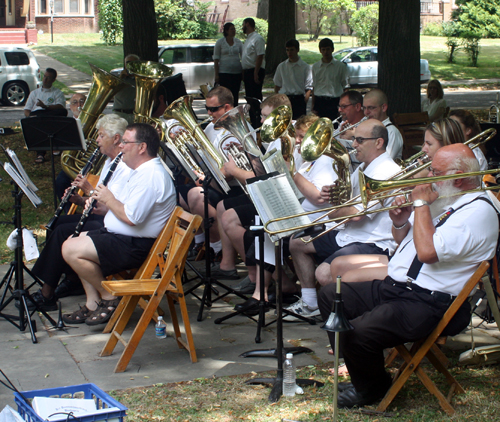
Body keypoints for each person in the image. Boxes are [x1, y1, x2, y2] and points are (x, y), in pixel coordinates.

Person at [318, 143, 498, 408]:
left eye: (435, 172)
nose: (427, 177)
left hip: (428, 303)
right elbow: (405, 241)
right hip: (397, 287)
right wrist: (400, 221)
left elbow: (426, 252)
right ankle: (363, 375)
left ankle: (372, 389)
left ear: (458, 177)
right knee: (331, 296)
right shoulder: (449, 198)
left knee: (358, 332)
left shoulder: (478, 211)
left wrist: (421, 203)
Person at [61, 123, 176, 325]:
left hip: (135, 246)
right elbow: (126, 209)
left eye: (126, 142)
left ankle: (109, 298)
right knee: (73, 240)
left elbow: (132, 219)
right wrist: (104, 205)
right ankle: (92, 303)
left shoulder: (151, 175)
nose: (121, 146)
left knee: (70, 249)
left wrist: (107, 198)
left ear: (141, 147)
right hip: (123, 238)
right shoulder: (141, 171)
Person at [285, 120, 400, 320]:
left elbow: (354, 214)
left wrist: (334, 207)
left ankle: (345, 314)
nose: (354, 144)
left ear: (379, 142)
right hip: (349, 234)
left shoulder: (385, 172)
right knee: (296, 242)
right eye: (354, 139)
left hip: (372, 242)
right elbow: (346, 202)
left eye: (360, 140)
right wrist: (334, 194)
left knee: (324, 273)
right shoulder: (365, 167)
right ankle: (310, 302)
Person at [234, 114, 339, 313]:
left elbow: (318, 198)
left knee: (269, 230)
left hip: (318, 221)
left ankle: (266, 294)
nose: (297, 141)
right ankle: (261, 292)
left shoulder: (325, 161)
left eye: (301, 137)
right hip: (301, 216)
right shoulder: (310, 161)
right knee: (263, 224)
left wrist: (292, 174)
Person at [25, 114, 131, 310]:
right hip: (102, 216)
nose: (97, 140)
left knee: (62, 232)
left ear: (116, 138)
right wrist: (80, 200)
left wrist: (89, 190)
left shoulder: (125, 165)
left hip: (112, 223)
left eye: (101, 135)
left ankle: (47, 293)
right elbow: (96, 203)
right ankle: (72, 278)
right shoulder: (109, 161)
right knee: (57, 223)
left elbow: (113, 205)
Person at [214, 94, 293, 288]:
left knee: (229, 218)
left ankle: (266, 276)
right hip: (269, 195)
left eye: (265, 117)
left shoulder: (284, 141)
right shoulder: (273, 140)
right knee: (222, 207)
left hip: (280, 201)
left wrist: (234, 170)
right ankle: (240, 269)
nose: (261, 121)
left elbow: (263, 177)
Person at [178, 86, 244, 262]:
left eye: (213, 109)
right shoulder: (210, 127)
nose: (209, 113)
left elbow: (231, 170)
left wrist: (207, 180)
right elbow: (204, 157)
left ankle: (217, 247)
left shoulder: (236, 130)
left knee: (195, 195)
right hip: (214, 181)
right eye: (207, 108)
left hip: (233, 187)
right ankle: (200, 241)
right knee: (179, 194)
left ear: (227, 108)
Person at [23, 67, 67, 163]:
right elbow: (26, 109)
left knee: (63, 112)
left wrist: (46, 107)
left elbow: (61, 106)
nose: (45, 79)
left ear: (53, 80)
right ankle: (40, 154)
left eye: (48, 77)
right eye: (44, 76)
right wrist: (30, 117)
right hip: (37, 115)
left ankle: (41, 118)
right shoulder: (34, 93)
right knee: (38, 118)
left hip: (51, 115)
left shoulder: (57, 92)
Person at [55, 93, 88, 202]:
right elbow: (56, 150)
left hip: (92, 166)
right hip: (73, 165)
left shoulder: (98, 124)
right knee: (60, 182)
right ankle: (69, 213)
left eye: (82, 101)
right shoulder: (65, 125)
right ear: (70, 107)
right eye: (75, 102)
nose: (79, 105)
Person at [273, 39, 312, 120]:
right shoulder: (282, 66)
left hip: (298, 100)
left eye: (292, 50)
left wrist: (304, 101)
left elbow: (308, 88)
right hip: (285, 99)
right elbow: (277, 85)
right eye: (287, 50)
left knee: (299, 125)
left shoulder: (305, 67)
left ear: (297, 50)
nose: (289, 52)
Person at [311, 38, 348, 121]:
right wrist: (313, 105)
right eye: (323, 50)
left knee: (335, 127)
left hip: (334, 102)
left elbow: (345, 87)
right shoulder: (315, 67)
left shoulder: (340, 66)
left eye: (328, 49)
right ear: (320, 51)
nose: (325, 52)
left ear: (332, 49)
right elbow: (314, 86)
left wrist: (343, 105)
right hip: (319, 101)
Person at [363, 89, 403, 160]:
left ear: (383, 108)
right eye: (364, 108)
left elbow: (383, 161)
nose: (366, 112)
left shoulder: (391, 132)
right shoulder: (366, 128)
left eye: (371, 108)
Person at [241, 17, 266, 128]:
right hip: (248, 72)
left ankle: (259, 121)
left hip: (255, 71)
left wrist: (256, 72)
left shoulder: (257, 38)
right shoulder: (248, 39)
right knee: (249, 98)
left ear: (247, 24)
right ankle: (252, 120)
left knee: (256, 98)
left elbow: (260, 55)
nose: (242, 27)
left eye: (243, 24)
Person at [214, 22, 243, 107]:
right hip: (224, 72)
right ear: (226, 31)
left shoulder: (238, 42)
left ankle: (234, 112)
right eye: (231, 29)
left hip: (236, 73)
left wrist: (243, 71)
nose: (234, 31)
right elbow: (216, 59)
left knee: (235, 94)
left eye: (234, 29)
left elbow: (243, 56)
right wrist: (216, 74)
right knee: (225, 95)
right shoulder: (220, 42)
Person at [112, 54, 140, 124]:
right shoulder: (119, 78)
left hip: (134, 114)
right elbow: (111, 92)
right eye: (128, 62)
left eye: (133, 63)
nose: (130, 65)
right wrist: (121, 77)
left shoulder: (141, 79)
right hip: (119, 114)